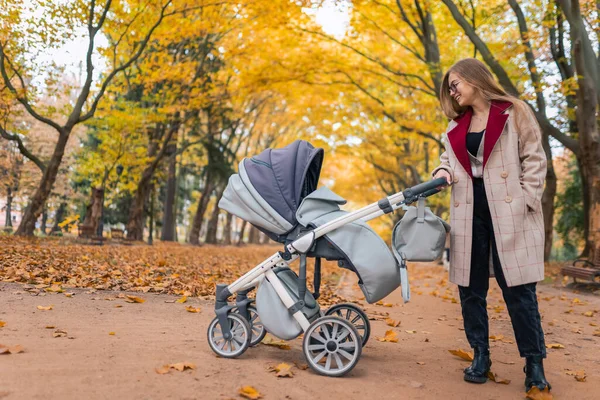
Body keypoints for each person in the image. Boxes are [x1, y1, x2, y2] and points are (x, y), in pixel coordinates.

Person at [431, 58, 550, 393]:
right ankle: (480, 354)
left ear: (473, 78)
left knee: (519, 290)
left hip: (510, 207)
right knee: (470, 288)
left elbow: (535, 157)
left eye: (455, 84)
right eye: (449, 88)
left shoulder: (514, 112)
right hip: (469, 209)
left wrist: (527, 198)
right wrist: (441, 174)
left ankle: (534, 361)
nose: (452, 92)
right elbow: (449, 163)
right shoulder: (455, 127)